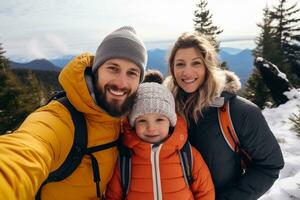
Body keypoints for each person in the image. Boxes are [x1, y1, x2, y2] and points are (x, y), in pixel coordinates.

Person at [0, 26, 147, 200]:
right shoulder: (60, 118)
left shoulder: (130, 119)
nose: (121, 83)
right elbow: (24, 153)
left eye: (132, 73)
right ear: (96, 71)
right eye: (113, 68)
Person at [164, 32, 284, 200]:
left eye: (196, 63)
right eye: (180, 64)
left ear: (208, 66)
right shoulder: (164, 111)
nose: (187, 72)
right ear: (172, 68)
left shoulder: (239, 112)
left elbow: (269, 165)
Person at [105, 76, 215, 200]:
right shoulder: (125, 159)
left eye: (159, 119)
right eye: (142, 121)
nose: (151, 128)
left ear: (171, 122)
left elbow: (205, 191)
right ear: (133, 124)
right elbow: (113, 196)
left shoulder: (187, 155)